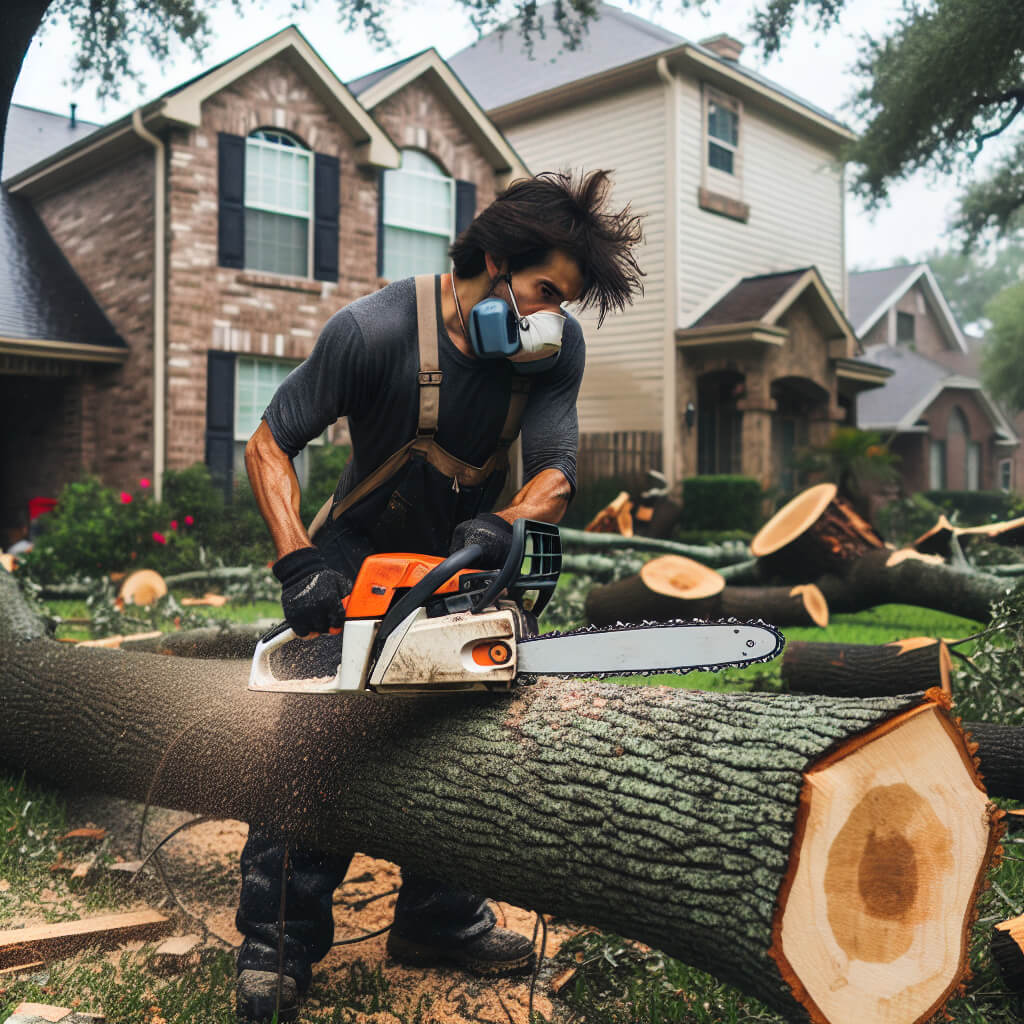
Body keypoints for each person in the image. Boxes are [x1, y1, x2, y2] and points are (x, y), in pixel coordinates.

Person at [237, 169, 644, 1023]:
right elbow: (270, 442)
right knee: (316, 740)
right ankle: (277, 945)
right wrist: (298, 561)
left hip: (465, 558)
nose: (549, 318)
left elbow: (557, 475)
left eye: (562, 304)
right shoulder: (372, 331)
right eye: (542, 292)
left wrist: (505, 523)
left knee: (474, 725)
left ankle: (438, 915)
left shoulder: (552, 353)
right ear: (493, 261)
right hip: (353, 557)